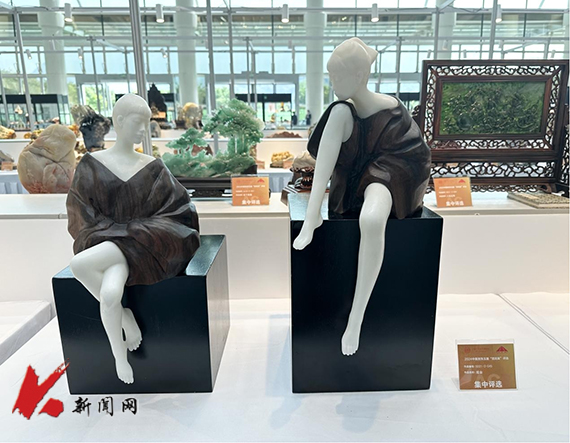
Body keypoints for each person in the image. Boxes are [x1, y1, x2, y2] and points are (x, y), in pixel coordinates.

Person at [293, 37, 431, 356]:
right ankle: (312, 216)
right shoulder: (344, 110)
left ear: (358, 76)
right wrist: (314, 210)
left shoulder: (392, 109)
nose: (332, 84)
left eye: (336, 77)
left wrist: (385, 177)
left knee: (371, 220)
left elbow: (412, 153)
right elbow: (326, 160)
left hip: (394, 168)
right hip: (357, 171)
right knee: (338, 111)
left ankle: (356, 318)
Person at [66, 94, 200, 384]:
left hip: (143, 243)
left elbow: (179, 211)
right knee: (109, 294)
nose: (143, 130)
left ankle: (121, 348)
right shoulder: (91, 165)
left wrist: (126, 232)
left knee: (82, 267)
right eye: (138, 122)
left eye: (147, 124)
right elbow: (81, 212)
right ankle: (121, 343)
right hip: (111, 242)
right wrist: (117, 232)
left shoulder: (153, 167)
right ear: (119, 121)